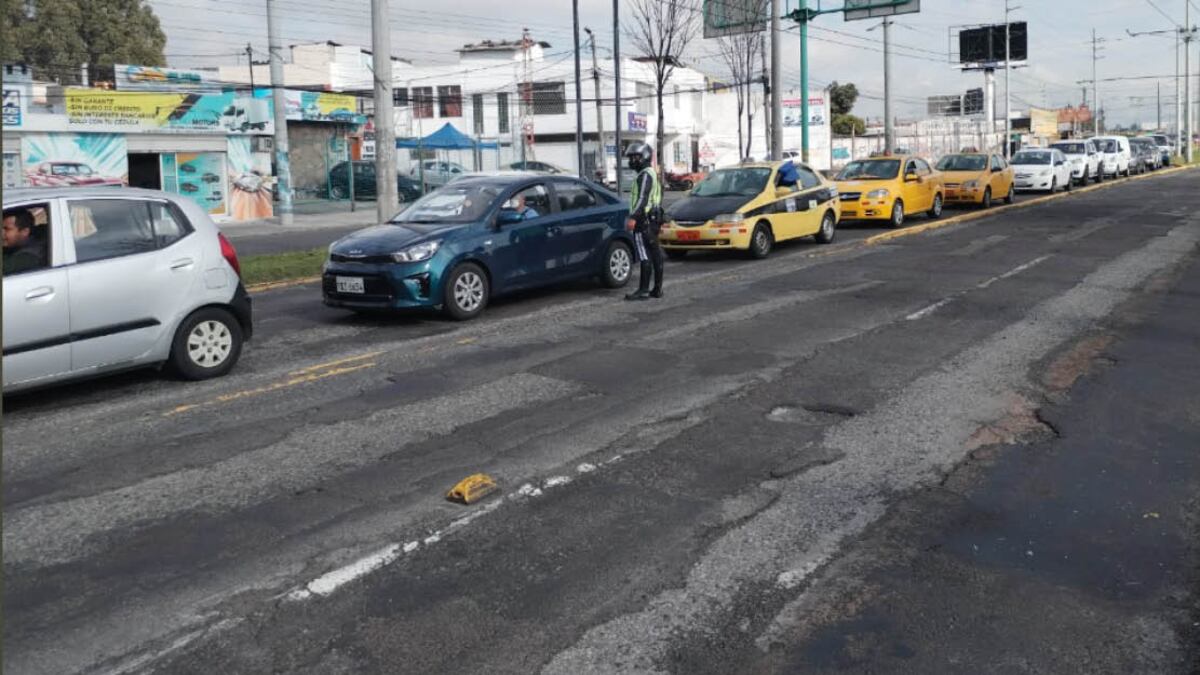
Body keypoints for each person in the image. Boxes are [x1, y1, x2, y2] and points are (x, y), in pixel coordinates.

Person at [623, 142, 663, 301]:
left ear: (645, 156)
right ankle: (657, 289)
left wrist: (633, 217)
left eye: (636, 157)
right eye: (631, 157)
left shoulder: (644, 175)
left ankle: (644, 290)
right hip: (652, 220)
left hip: (643, 221)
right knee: (655, 254)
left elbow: (642, 199)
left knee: (644, 255)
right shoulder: (650, 173)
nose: (633, 160)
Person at [3, 209, 46, 275]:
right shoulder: (16, 245)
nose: (2, 233)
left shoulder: (27, 257)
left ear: (25, 232)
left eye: (7, 229)